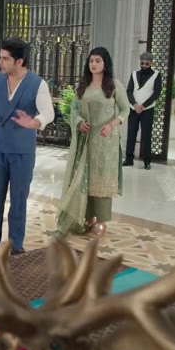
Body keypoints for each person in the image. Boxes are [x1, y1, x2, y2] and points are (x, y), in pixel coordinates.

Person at [0, 38, 55, 255]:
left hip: (22, 150)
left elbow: (48, 113)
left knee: (18, 200)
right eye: (0, 57)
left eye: (5, 59)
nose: (0, 62)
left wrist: (33, 123)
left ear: (19, 61)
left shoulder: (37, 84)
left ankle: (16, 246)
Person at [56, 47, 130, 238]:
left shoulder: (114, 86)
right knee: (85, 179)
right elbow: (74, 110)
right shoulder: (83, 86)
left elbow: (125, 110)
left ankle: (102, 221)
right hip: (86, 140)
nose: (94, 64)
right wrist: (79, 122)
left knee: (102, 179)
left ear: (105, 63)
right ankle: (88, 217)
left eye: (98, 61)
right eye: (91, 61)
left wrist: (112, 125)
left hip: (106, 141)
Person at [124, 52, 162, 170]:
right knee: (131, 134)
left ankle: (147, 161)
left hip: (147, 110)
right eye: (142, 63)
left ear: (151, 63)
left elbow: (156, 93)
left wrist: (143, 106)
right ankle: (129, 159)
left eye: (147, 63)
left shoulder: (156, 75)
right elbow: (129, 90)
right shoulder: (134, 74)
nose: (144, 65)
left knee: (146, 136)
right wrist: (135, 104)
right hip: (133, 109)